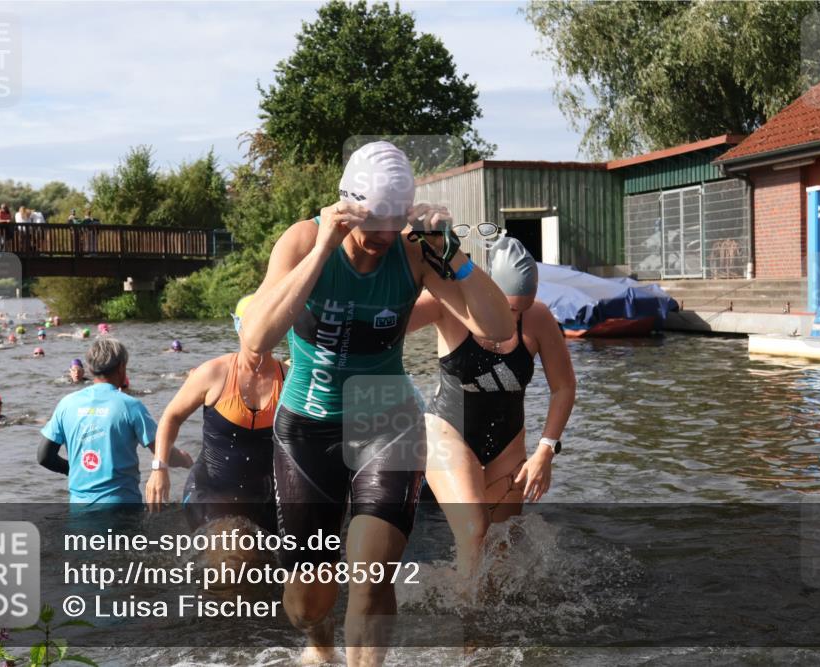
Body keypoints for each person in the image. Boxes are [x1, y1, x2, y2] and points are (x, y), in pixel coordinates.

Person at [237, 141, 514, 665]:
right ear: (347, 209)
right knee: (306, 603)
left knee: (370, 574)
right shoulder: (300, 240)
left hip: (386, 418)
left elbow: (499, 332)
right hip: (308, 425)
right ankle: (319, 651)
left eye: (393, 229)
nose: (381, 243)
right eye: (371, 230)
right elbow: (255, 339)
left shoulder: (414, 250)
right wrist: (322, 248)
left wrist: (451, 253)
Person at [407, 236, 576, 579]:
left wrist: (545, 451)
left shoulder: (539, 318)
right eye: (507, 307)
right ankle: (467, 627)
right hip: (448, 432)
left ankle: (488, 627)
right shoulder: (448, 304)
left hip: (507, 444)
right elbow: (384, 324)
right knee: (474, 531)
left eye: (520, 310)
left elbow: (563, 387)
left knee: (502, 553)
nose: (512, 318)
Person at [148, 294, 287, 536]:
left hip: (264, 497)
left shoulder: (289, 378)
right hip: (210, 492)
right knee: (234, 557)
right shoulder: (213, 373)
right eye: (255, 326)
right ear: (239, 327)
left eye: (269, 325)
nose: (262, 334)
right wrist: (159, 469)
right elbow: (171, 416)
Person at [36, 338, 192, 504]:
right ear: (121, 368)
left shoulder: (66, 404)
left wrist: (73, 469)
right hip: (123, 508)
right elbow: (163, 452)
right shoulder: (130, 406)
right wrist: (187, 461)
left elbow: (44, 456)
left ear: (89, 368)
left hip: (79, 509)